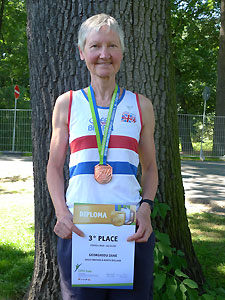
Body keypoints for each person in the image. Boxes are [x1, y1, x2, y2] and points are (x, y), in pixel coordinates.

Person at [47, 13, 158, 300]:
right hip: (79, 231)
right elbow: (54, 167)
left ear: (122, 51)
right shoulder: (67, 103)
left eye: (112, 46)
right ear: (82, 52)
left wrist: (145, 208)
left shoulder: (141, 105)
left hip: (130, 230)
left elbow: (150, 168)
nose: (104, 54)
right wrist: (61, 213)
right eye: (95, 46)